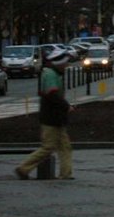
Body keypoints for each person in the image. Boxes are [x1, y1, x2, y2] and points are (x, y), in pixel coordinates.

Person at [16, 48, 75, 180]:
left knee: (65, 147)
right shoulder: (50, 75)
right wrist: (66, 106)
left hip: (55, 117)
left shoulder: (52, 73)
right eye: (65, 63)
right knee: (48, 147)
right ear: (59, 63)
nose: (66, 66)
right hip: (52, 118)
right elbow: (52, 95)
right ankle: (23, 168)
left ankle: (66, 173)